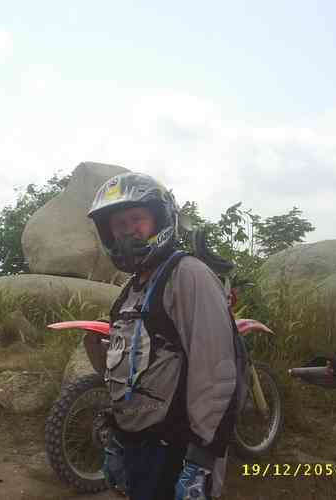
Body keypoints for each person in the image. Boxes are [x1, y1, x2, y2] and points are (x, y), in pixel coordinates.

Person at [86, 172, 242, 500]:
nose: (127, 230)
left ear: (160, 220)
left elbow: (217, 371)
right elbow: (129, 367)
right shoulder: (133, 287)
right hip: (136, 442)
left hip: (174, 447)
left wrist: (202, 458)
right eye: (118, 224)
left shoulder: (188, 275)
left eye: (136, 219)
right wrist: (117, 436)